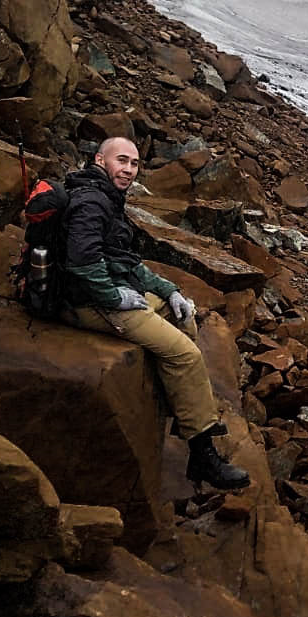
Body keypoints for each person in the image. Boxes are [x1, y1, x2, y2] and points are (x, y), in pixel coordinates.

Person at [60, 136, 250, 491]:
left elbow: (127, 262)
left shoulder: (107, 198)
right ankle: (203, 454)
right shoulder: (91, 201)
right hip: (87, 301)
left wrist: (169, 290)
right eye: (122, 161)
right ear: (100, 160)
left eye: (133, 164)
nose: (129, 170)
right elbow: (82, 263)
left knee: (183, 317)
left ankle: (183, 409)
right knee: (186, 354)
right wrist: (114, 297)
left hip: (106, 290)